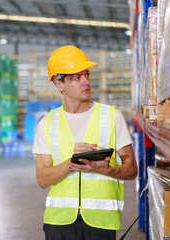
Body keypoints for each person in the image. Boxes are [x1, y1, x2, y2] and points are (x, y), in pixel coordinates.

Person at [32, 45, 138, 240]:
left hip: (100, 223)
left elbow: (132, 170)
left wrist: (104, 169)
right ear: (59, 84)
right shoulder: (47, 124)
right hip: (58, 223)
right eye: (76, 78)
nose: (86, 82)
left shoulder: (112, 117)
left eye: (87, 75)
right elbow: (42, 179)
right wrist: (72, 164)